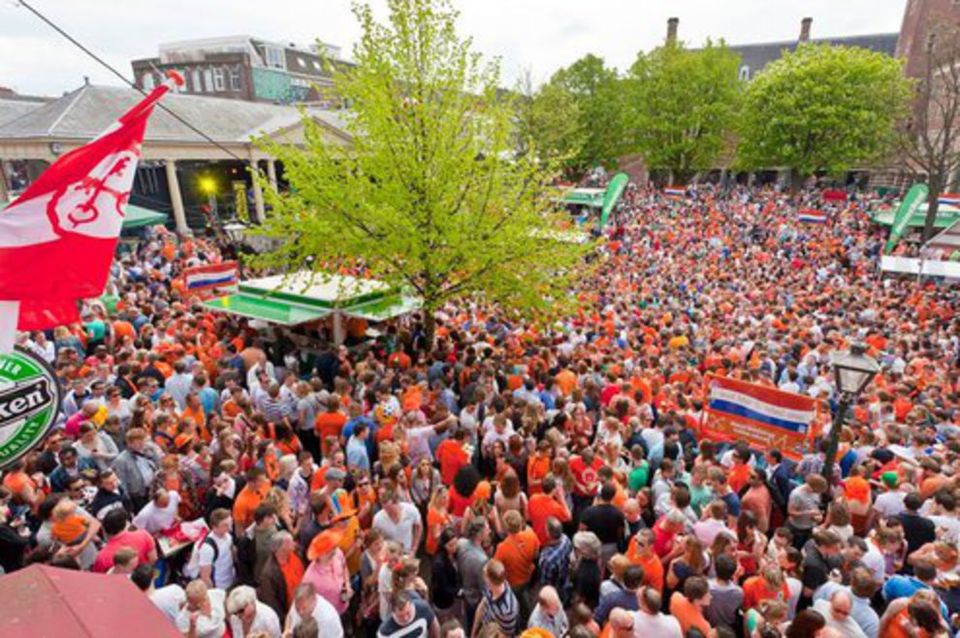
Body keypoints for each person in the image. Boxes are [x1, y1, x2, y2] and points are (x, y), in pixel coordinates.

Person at [258, 531, 305, 620]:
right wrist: (285, 620)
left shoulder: (296, 555)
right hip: (290, 614)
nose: (294, 543)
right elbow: (272, 602)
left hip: (304, 605)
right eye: (290, 542)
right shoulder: (269, 574)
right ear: (281, 547)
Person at [473, 559, 519, 638]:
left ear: (488, 579)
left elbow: (505, 635)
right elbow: (482, 605)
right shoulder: (492, 585)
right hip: (485, 624)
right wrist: (474, 632)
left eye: (484, 573)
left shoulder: (507, 610)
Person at [373, 490, 423, 554]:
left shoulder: (411, 510)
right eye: (385, 509)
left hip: (407, 552)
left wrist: (414, 548)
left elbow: (418, 526)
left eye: (390, 509)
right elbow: (375, 538)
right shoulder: (377, 518)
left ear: (397, 502)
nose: (388, 512)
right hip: (389, 554)